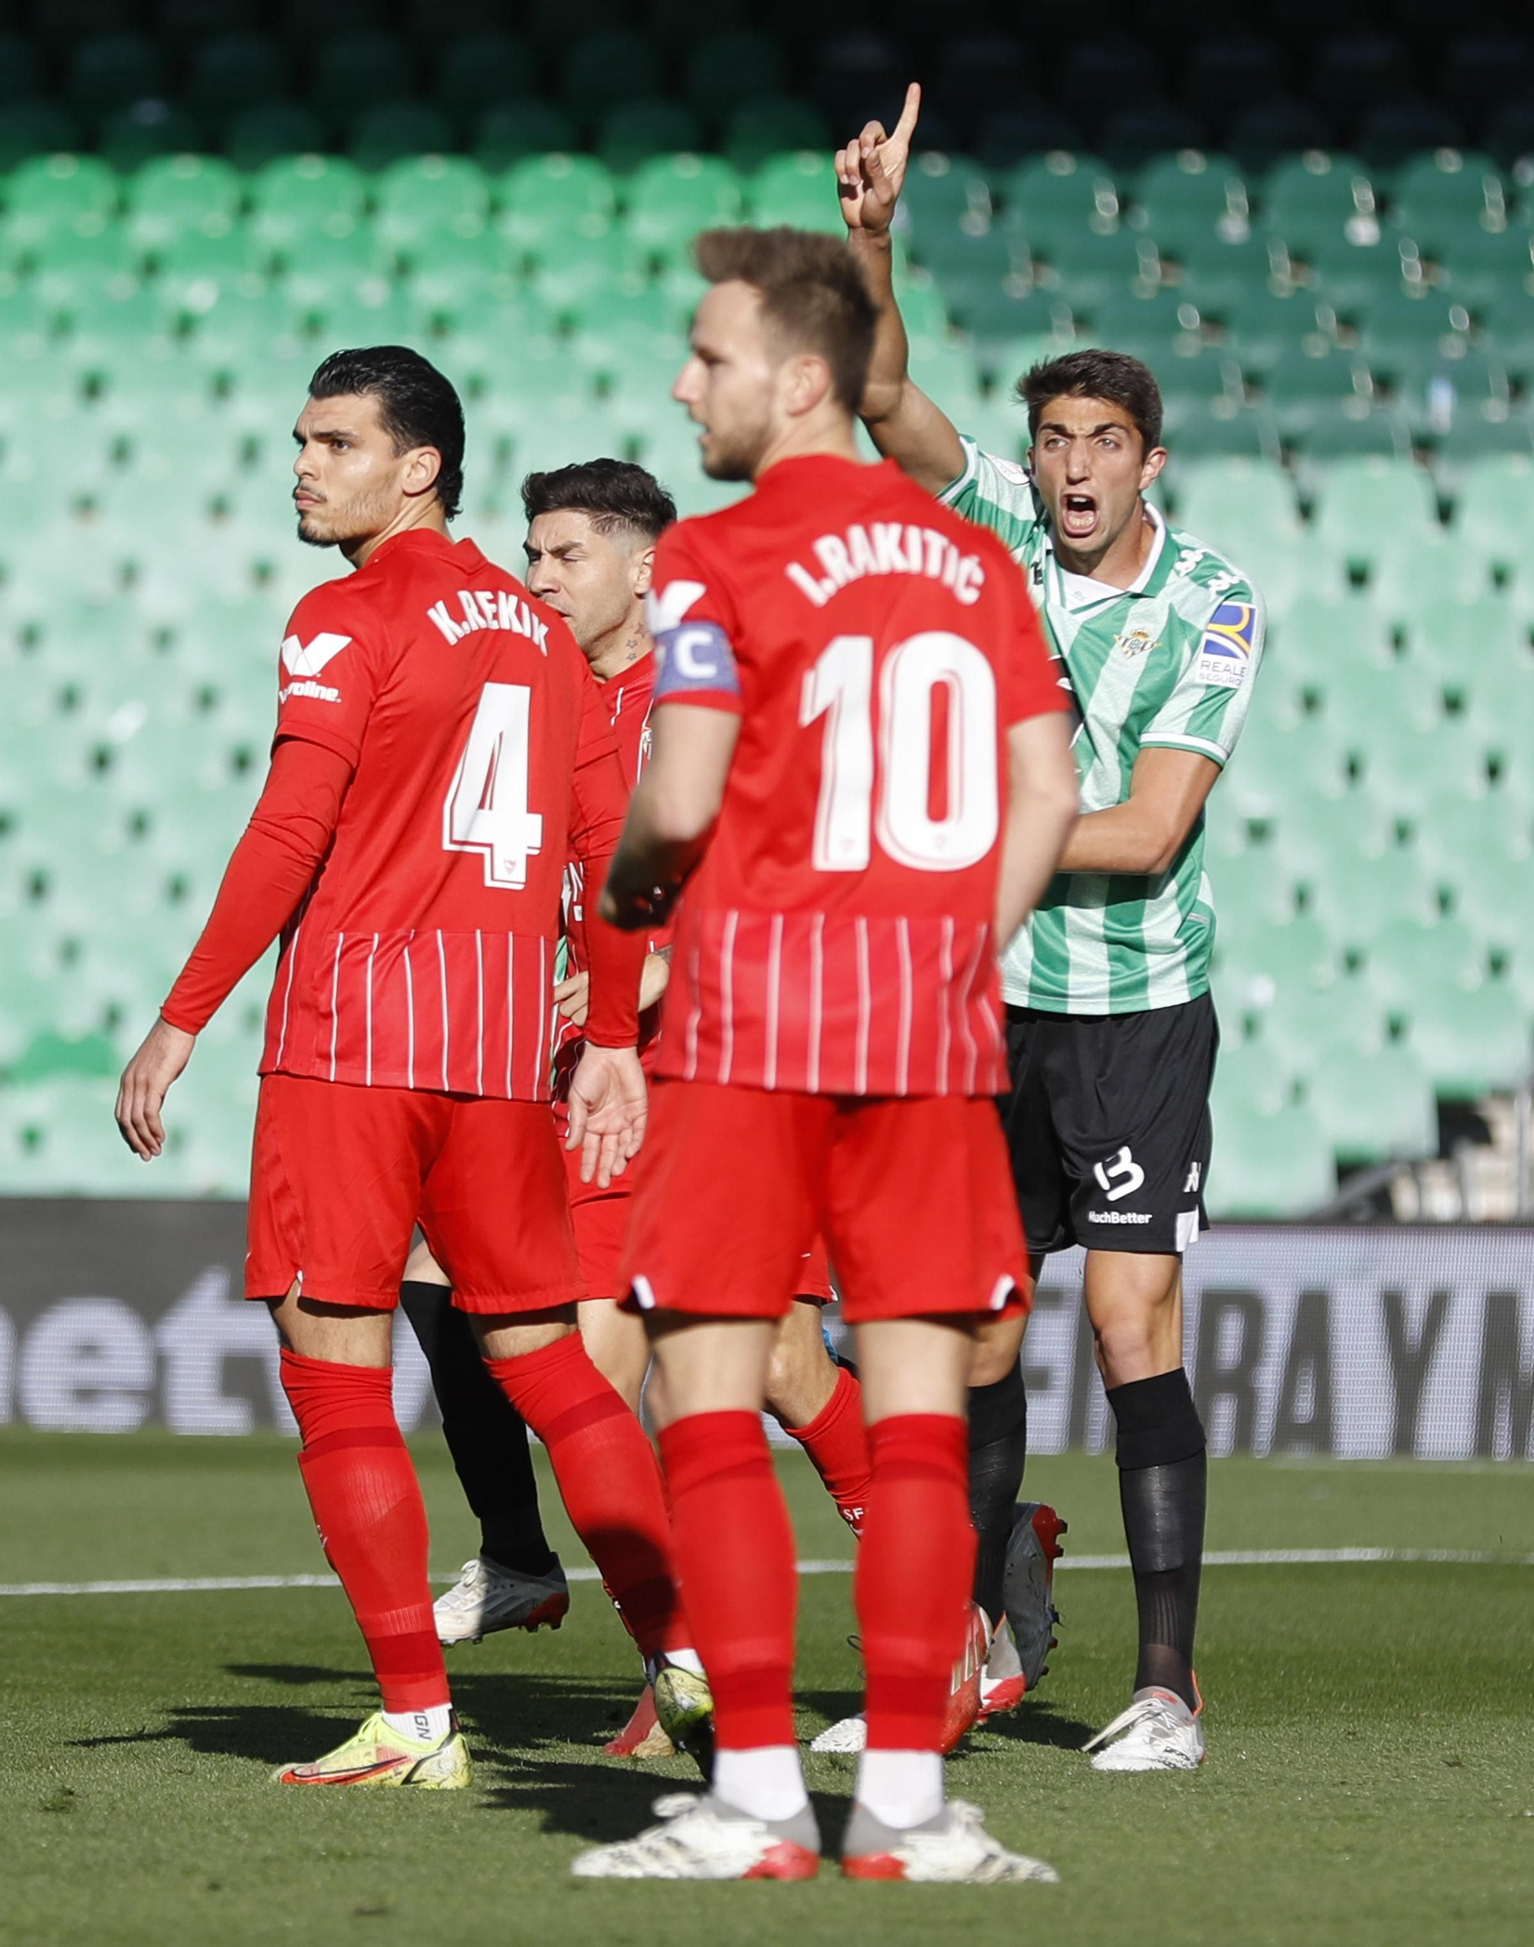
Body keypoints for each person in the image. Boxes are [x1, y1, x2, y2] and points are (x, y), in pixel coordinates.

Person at [570, 227, 1078, 1883]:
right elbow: (1048, 792)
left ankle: (760, 1803)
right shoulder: (974, 561)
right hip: (929, 1034)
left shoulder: (717, 556)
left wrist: (632, 887)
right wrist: (959, 950)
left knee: (709, 1402)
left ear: (798, 379)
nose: (683, 385)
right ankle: (910, 1810)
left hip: (748, 1028)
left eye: (709, 358)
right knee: (919, 1420)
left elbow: (683, 794)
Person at [114, 346, 695, 1789]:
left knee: (334, 1369)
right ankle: (683, 1649)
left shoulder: (347, 612)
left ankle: (416, 1720)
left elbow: (290, 830)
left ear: (419, 467)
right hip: (501, 1054)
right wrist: (605, 1034)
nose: (303, 468)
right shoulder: (544, 634)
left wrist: (184, 1014)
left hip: (354, 1041)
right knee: (546, 1359)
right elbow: (607, 850)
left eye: (335, 444)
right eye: (301, 441)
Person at [836, 87, 1266, 1772]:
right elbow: (885, 399)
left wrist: (959, 851)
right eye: (1058, 440)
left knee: (1128, 1324)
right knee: (980, 1328)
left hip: (1137, 1006)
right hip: (990, 1008)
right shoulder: (1000, 519)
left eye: (1104, 443)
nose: (1075, 468)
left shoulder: (1212, 602)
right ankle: (964, 1651)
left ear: (1151, 463)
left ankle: (1164, 1689)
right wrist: (874, 240)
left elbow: (1150, 830)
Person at [399, 459, 874, 1758]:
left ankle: (951, 1592)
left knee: (772, 1362)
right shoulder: (549, 694)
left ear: (646, 565)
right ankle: (679, 1665)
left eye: (565, 556)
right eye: (532, 554)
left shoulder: (715, 687)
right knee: (580, 1370)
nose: (539, 578)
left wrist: (668, 959)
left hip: (737, 1064)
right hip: (598, 1075)